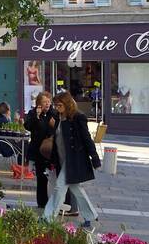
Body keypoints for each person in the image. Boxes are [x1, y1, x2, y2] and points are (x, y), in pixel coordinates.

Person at [42, 92, 103, 225]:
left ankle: (48, 217)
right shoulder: (58, 117)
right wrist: (51, 161)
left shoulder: (78, 117)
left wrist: (95, 158)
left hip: (73, 160)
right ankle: (90, 216)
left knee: (59, 187)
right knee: (76, 189)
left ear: (67, 104)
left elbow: (87, 139)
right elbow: (57, 140)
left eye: (60, 105)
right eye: (56, 105)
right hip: (62, 159)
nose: (57, 108)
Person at [24, 91, 75, 214]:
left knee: (60, 177)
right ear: (39, 103)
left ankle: (65, 204)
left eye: (48, 101)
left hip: (52, 149)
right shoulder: (33, 113)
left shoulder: (54, 113)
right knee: (41, 177)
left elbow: (59, 129)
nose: (47, 104)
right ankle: (42, 203)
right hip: (38, 150)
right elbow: (28, 126)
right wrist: (37, 117)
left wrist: (53, 125)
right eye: (44, 102)